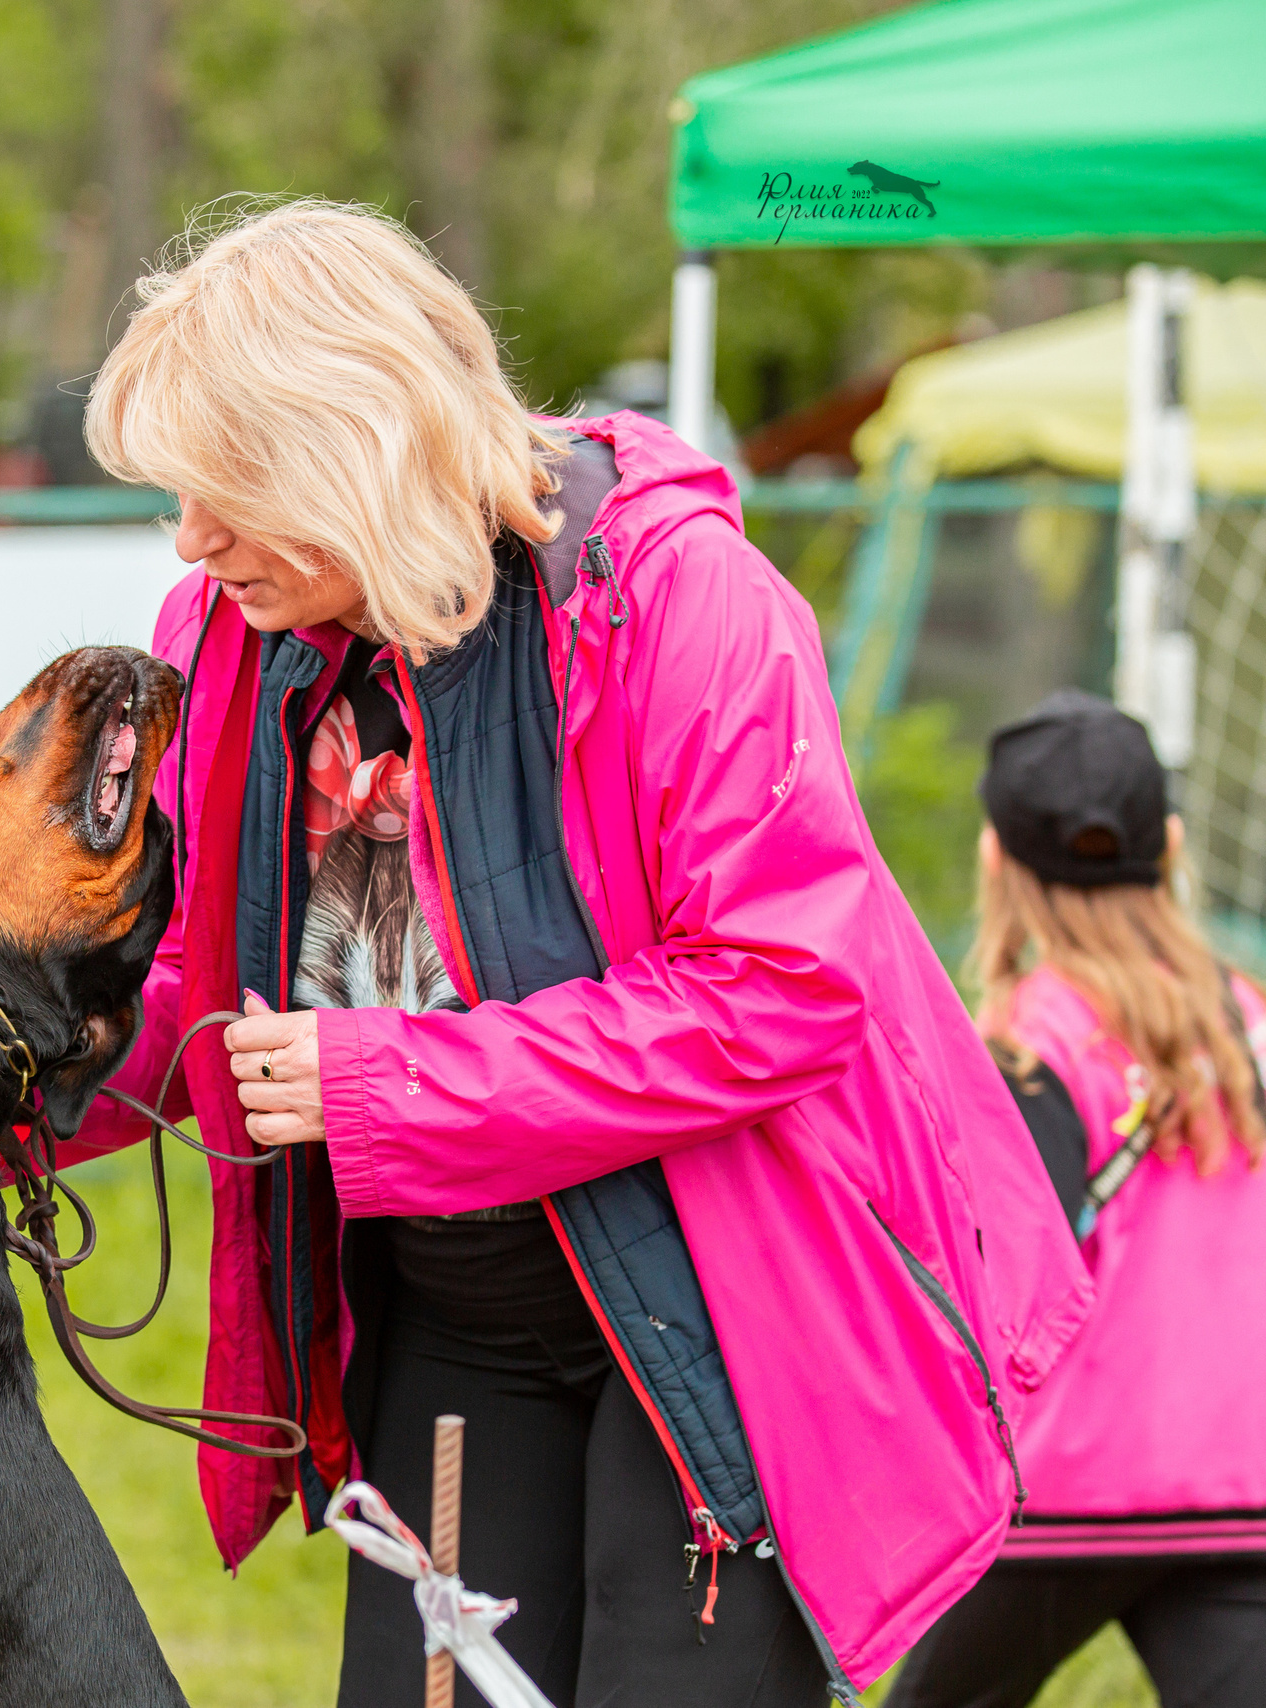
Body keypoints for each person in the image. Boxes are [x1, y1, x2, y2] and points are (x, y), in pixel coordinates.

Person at [67, 199, 1094, 1706]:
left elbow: (782, 989)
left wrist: (387, 1085)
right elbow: (186, 987)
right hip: (452, 1320)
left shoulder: (679, 597)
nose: (192, 538)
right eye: (177, 495)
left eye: (231, 491)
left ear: (362, 445)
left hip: (707, 1326)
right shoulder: (229, 627)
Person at [886, 692, 1266, 1708]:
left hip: (1067, 1491)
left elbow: (995, 1272)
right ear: (1173, 843)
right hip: (1241, 1481)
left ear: (995, 860)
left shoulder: (1029, 1045)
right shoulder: (1248, 1023)